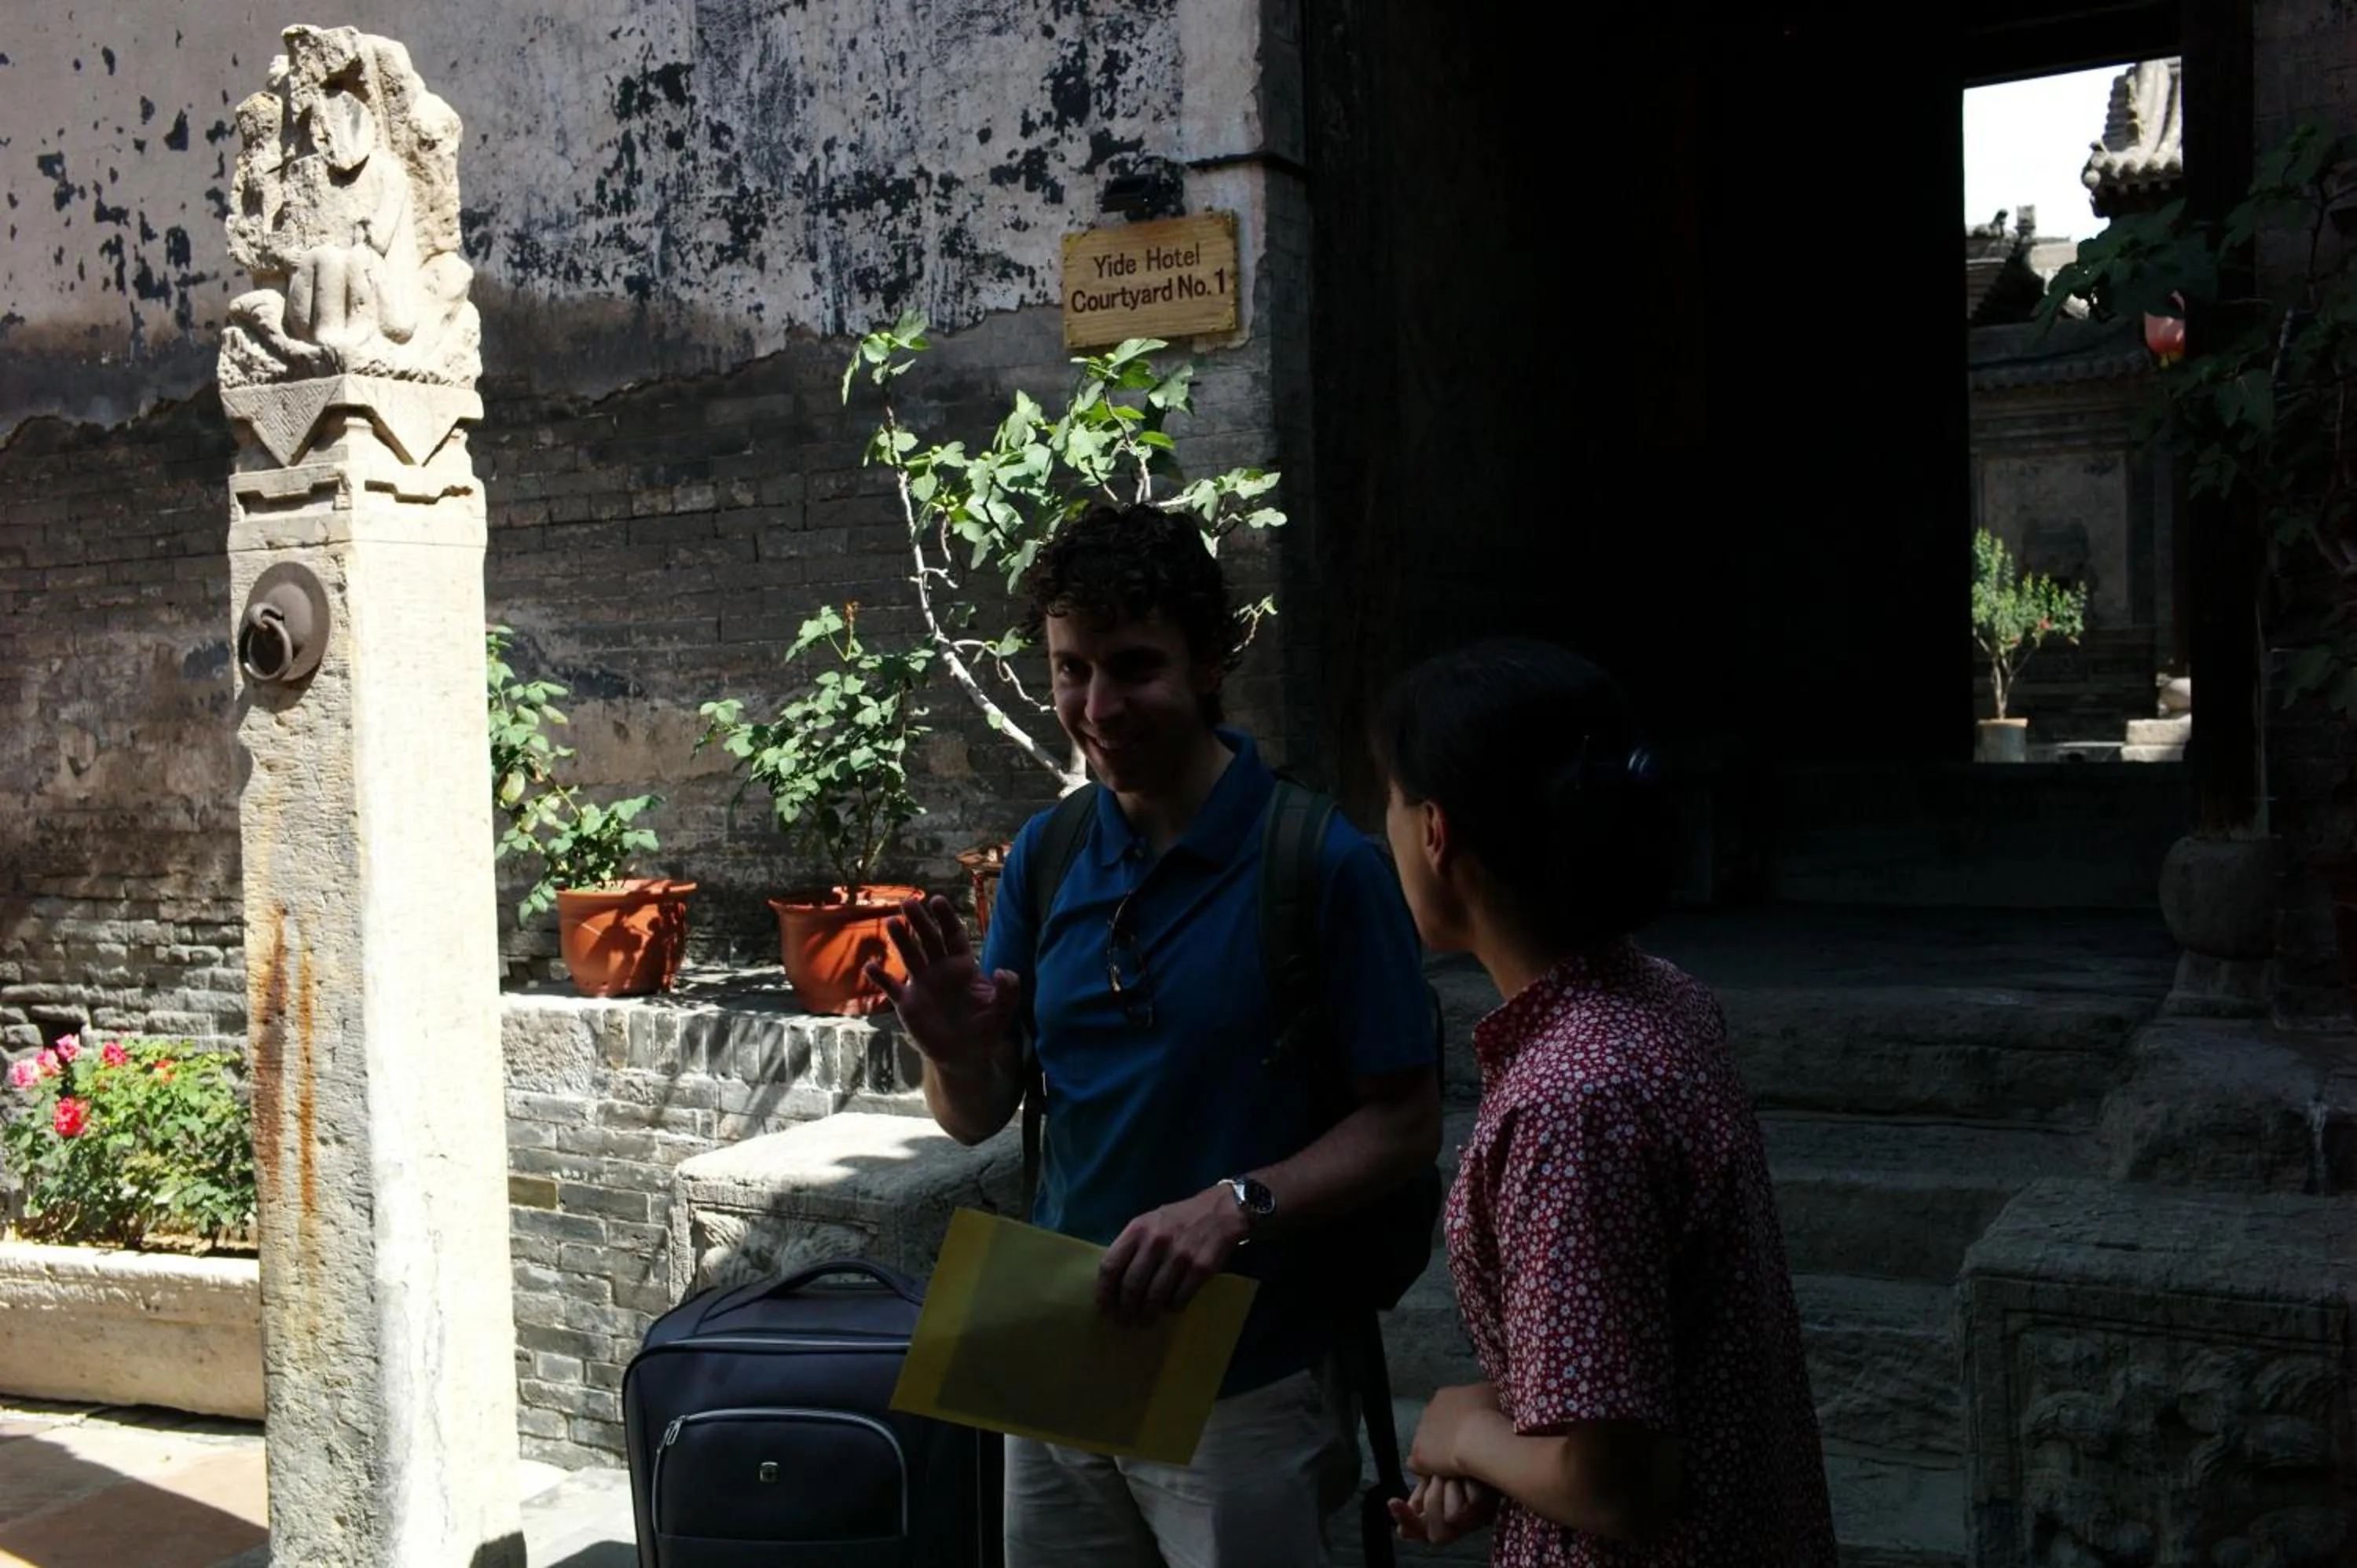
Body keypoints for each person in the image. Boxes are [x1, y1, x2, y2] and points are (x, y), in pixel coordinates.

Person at [871, 502, 1443, 1567]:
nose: (1097, 707)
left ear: (1213, 660)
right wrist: (951, 1053)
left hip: (1249, 1374)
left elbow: (1406, 1126)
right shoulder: (1049, 854)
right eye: (1069, 671)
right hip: (1057, 1344)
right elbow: (979, 1117)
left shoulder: (1321, 865)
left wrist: (1235, 1207)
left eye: (1134, 667)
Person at [1373, 639, 1835, 1566]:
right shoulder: (1655, 997)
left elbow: (1615, 1485)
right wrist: (1504, 1444)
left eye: (1387, 795)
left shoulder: (1570, 1101)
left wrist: (1461, 1435)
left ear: (1435, 831)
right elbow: (1637, 1346)